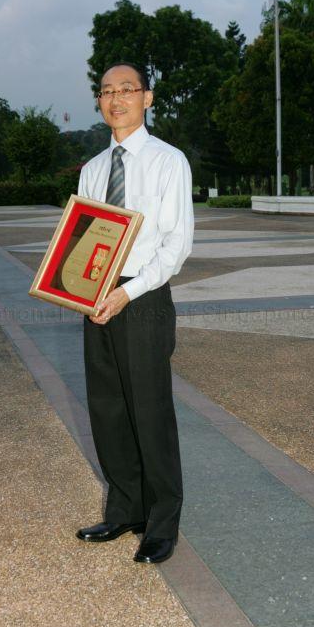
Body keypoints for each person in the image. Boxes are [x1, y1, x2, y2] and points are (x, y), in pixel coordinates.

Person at [76, 62, 194, 564]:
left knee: (149, 410)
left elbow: (176, 245)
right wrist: (80, 289)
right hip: (96, 298)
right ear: (99, 101)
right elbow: (81, 241)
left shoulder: (169, 161)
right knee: (107, 407)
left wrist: (128, 292)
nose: (116, 98)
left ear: (148, 98)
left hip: (142, 298)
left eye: (127, 89)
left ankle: (162, 521)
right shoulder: (93, 169)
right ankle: (125, 508)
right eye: (106, 91)